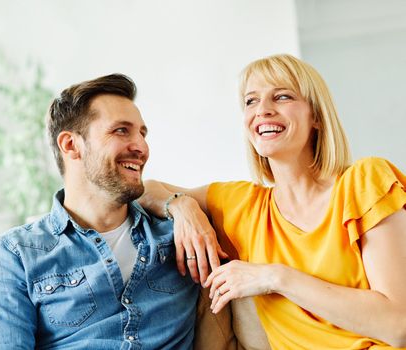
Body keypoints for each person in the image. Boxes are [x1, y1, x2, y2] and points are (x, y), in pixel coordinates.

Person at [139, 54, 406, 349]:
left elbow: (398, 326)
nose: (263, 111)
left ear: (316, 116)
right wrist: (184, 207)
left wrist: (276, 277)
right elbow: (144, 189)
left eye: (281, 97)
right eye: (251, 101)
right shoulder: (242, 203)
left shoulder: (364, 181)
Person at [0, 74, 199, 349]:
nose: (141, 147)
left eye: (142, 133)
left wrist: (184, 204)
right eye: (121, 130)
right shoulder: (18, 255)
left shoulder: (180, 237)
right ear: (71, 145)